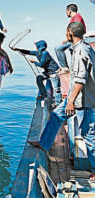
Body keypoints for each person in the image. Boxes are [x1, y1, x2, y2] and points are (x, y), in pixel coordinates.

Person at [28, 22, 95, 173]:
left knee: (88, 135)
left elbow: (80, 79)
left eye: (66, 32)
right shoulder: (86, 47)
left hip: (82, 100)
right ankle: (44, 143)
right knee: (56, 115)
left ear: (70, 33)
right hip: (79, 97)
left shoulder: (79, 52)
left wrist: (70, 102)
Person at [55, 4, 87, 74]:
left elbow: (76, 29)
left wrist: (68, 38)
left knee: (58, 48)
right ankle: (67, 69)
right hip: (71, 40)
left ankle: (65, 68)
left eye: (66, 11)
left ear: (69, 11)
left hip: (75, 41)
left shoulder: (77, 17)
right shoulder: (75, 18)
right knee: (70, 55)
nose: (66, 13)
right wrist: (66, 38)